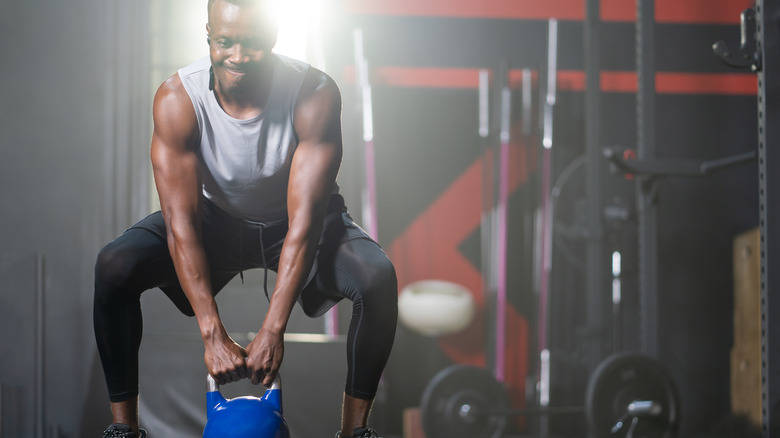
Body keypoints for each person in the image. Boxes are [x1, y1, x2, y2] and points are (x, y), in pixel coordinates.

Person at [93, 0, 398, 436]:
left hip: (296, 223)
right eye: (225, 41)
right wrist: (211, 332)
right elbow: (181, 227)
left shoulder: (313, 93)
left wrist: (274, 328)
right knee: (114, 265)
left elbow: (305, 223)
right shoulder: (178, 99)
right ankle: (124, 430)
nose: (237, 55)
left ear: (274, 37)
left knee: (377, 277)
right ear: (208, 35)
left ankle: (354, 432)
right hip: (214, 222)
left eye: (252, 44)